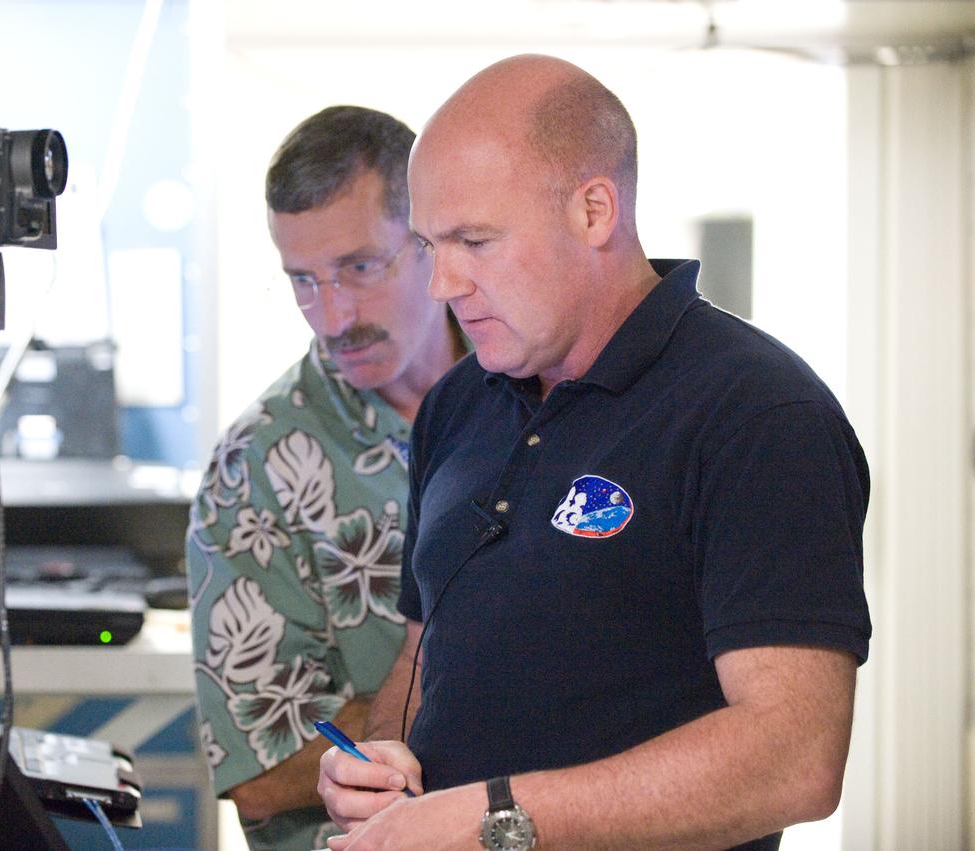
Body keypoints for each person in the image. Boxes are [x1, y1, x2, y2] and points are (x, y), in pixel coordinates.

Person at [315, 54, 872, 851]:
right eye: (431, 245)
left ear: (595, 210)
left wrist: (491, 819)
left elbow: (794, 758)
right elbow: (423, 647)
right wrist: (379, 766)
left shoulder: (756, 412)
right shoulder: (458, 401)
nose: (443, 284)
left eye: (475, 239)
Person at [186, 106, 465, 851]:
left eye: (359, 268)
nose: (333, 315)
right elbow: (257, 771)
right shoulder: (258, 464)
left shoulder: (540, 395)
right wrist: (473, 705)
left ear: (428, 240)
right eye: (303, 281)